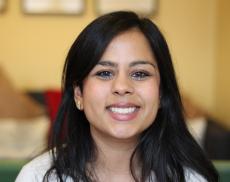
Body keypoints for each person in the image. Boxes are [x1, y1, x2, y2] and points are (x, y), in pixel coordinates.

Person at [16, 11, 218, 182]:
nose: (122, 87)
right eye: (104, 73)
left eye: (140, 73)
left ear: (161, 92)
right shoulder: (37, 177)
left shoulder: (192, 178)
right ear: (79, 94)